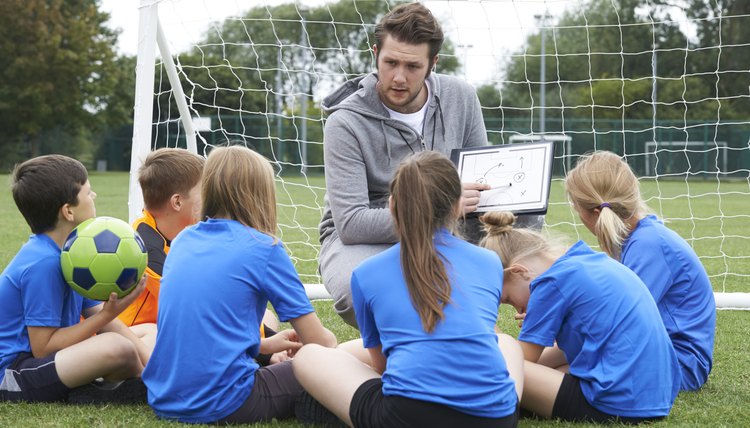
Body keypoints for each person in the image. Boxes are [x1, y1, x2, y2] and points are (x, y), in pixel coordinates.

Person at [319, 3, 543, 327]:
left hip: (453, 221)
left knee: (533, 230)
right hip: (373, 234)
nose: (398, 77)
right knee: (361, 288)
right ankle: (404, 360)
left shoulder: (461, 97)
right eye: (390, 62)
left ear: (432, 64)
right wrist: (436, 210)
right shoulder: (345, 122)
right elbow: (352, 224)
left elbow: (482, 177)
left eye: (412, 66)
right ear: (375, 53)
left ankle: (544, 332)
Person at [294, 152, 523, 428]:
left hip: (405, 417)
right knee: (507, 343)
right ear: (458, 206)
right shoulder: (489, 262)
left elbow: (382, 367)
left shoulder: (366, 273)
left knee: (309, 356)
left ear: (391, 205)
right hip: (496, 418)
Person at [142, 145, 337, 424]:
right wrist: (329, 351)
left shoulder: (184, 240)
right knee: (345, 358)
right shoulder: (265, 248)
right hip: (228, 402)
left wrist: (265, 346)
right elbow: (320, 343)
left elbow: (204, 331)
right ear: (262, 195)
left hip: (163, 397)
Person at [480, 211, 681, 423]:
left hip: (616, 403)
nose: (515, 307)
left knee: (498, 367)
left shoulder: (550, 283)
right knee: (551, 365)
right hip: (654, 397)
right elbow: (563, 353)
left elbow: (517, 363)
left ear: (519, 271)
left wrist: (487, 324)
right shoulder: (586, 260)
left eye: (509, 299)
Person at [0, 155, 151, 403]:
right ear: (68, 211)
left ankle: (114, 384)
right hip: (15, 372)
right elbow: (43, 348)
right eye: (88, 192)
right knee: (118, 346)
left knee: (147, 332)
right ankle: (135, 388)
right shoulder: (43, 263)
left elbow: (99, 317)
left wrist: (153, 367)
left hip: (49, 361)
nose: (94, 198)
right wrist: (108, 314)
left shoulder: (72, 253)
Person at [565, 150, 715, 391]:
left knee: (543, 375)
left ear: (594, 212)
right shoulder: (637, 239)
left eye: (576, 207)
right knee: (542, 369)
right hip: (652, 353)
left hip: (677, 364)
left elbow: (614, 324)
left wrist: (558, 317)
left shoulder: (649, 245)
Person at [119, 147, 285, 365]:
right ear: (177, 202)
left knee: (265, 316)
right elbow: (200, 303)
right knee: (159, 334)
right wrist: (268, 351)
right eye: (205, 191)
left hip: (176, 328)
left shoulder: (190, 237)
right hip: (137, 334)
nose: (212, 197)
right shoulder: (142, 243)